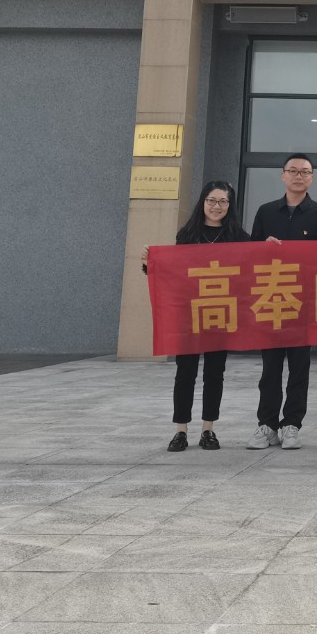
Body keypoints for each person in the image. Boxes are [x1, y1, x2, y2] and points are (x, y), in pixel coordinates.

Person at [142, 180, 249, 453]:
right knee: (185, 372)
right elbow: (173, 272)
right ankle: (181, 430)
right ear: (203, 202)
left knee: (215, 373)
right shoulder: (187, 234)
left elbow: (252, 269)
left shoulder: (238, 236)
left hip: (221, 314)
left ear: (230, 205)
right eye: (212, 200)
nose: (216, 206)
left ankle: (208, 429)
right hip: (189, 314)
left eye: (223, 201)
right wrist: (150, 264)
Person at [246, 152, 317, 451]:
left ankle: (292, 424)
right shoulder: (266, 212)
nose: (299, 176)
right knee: (270, 368)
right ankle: (267, 425)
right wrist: (263, 247)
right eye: (293, 171)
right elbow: (251, 256)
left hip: (303, 302)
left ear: (312, 178)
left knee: (299, 367)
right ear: (282, 175)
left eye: (305, 172)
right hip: (271, 300)